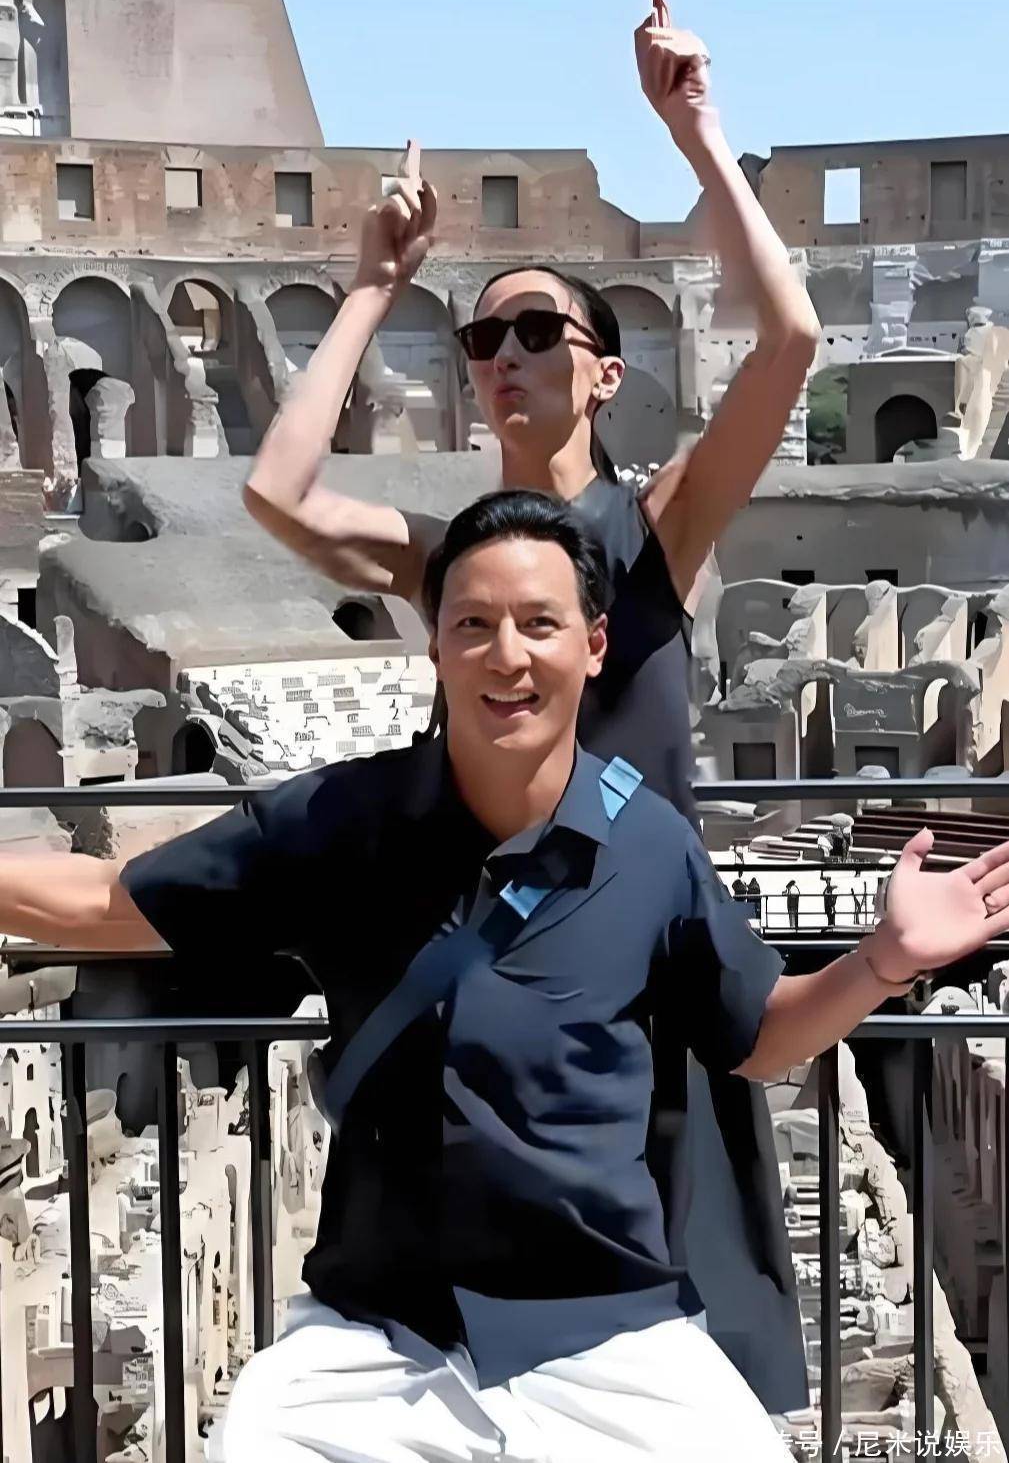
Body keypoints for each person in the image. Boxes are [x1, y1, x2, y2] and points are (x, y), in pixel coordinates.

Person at [5, 493, 1009, 1463]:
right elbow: (105, 903)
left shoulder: (649, 845)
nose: (506, 654)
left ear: (593, 645)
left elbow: (755, 1035)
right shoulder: (339, 823)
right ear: (435, 649)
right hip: (380, 1330)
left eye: (538, 623)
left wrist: (878, 962)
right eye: (473, 624)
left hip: (606, 1327)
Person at [242, 0, 823, 1409]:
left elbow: (790, 344)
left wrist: (696, 134)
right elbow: (277, 492)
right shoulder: (452, 558)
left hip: (643, 960)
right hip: (506, 978)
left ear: (604, 372)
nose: (504, 355)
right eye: (482, 339)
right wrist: (372, 286)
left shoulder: (653, 526)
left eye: (537, 331)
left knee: (674, 1345)